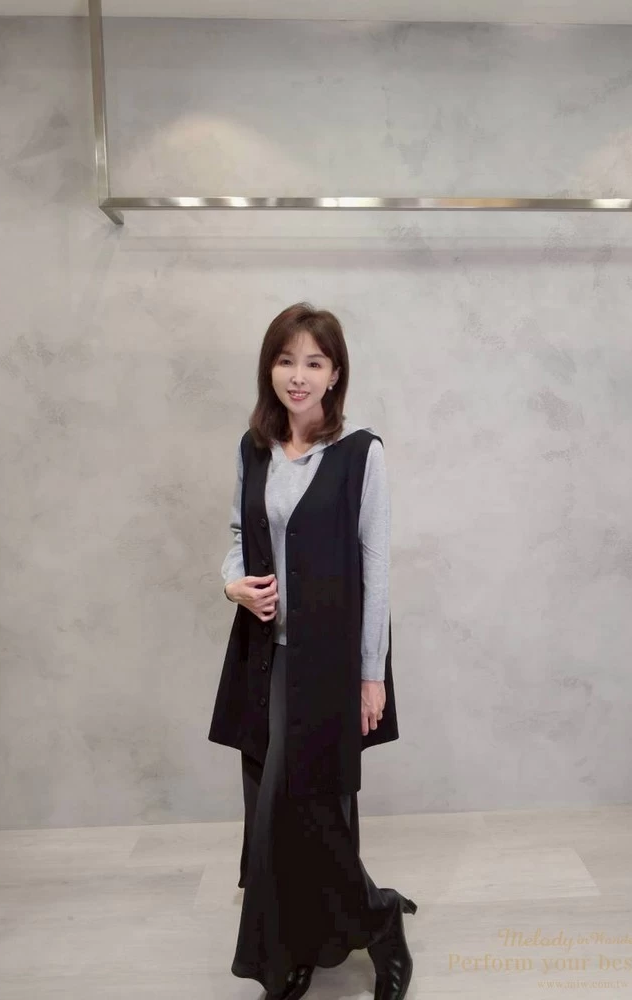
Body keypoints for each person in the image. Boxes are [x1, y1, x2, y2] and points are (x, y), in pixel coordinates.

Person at [208, 303, 417, 1000]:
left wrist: (370, 675)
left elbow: (376, 568)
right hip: (266, 659)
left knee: (313, 809)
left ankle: (372, 923)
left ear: (334, 375)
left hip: (330, 667)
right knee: (278, 810)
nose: (298, 375)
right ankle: (317, 937)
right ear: (270, 368)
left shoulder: (361, 454)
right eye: (285, 360)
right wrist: (233, 585)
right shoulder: (253, 449)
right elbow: (237, 534)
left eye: (314, 362)